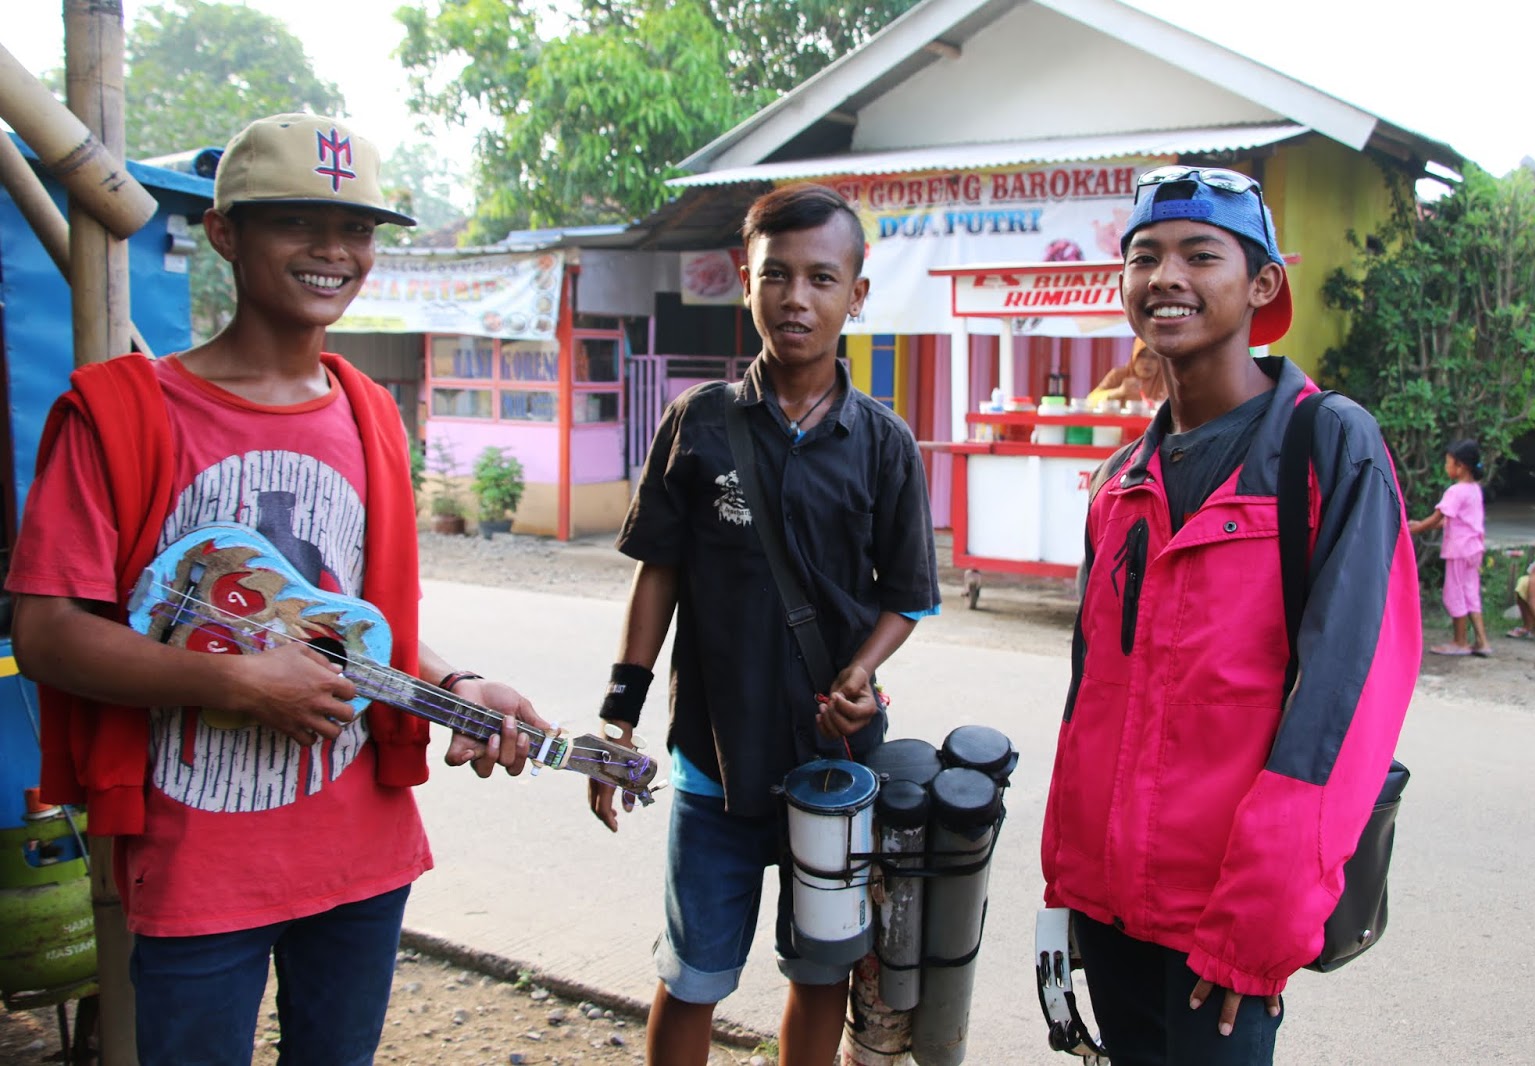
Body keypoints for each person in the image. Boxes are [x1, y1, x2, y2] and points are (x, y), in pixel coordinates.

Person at [5, 113, 550, 1064]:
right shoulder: (120, 413)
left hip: (362, 854)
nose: (335, 251)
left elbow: (351, 621)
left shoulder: (373, 415)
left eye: (359, 230)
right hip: (197, 861)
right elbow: (48, 633)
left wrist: (456, 689)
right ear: (225, 233)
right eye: (298, 222)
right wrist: (239, 683)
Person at [1040, 166, 1421, 1065]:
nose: (1166, 276)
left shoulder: (1328, 445)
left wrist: (1264, 911)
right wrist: (1067, 886)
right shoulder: (1119, 482)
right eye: (1145, 257)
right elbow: (1091, 692)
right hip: (1108, 904)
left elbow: (1350, 696)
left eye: (1199, 254)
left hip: (1227, 920)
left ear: (1260, 286)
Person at [586, 183, 940, 1066]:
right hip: (712, 766)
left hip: (832, 771)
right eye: (775, 275)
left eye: (822, 278)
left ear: (856, 295)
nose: (796, 298)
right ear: (745, 281)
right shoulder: (696, 426)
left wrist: (860, 674)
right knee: (692, 975)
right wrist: (617, 713)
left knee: (819, 973)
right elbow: (657, 578)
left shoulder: (884, 443)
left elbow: (906, 595)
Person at [1407, 439, 1490, 656]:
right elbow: (1457, 520)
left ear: (1460, 466)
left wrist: (1411, 530)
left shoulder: (1456, 491)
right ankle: (1482, 641)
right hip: (1473, 549)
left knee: (1454, 593)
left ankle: (1460, 641)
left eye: (1448, 463)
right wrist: (1420, 526)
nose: (1446, 468)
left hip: (1459, 550)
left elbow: (1437, 518)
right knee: (1471, 592)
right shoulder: (1474, 490)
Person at [1086, 338, 1169, 409]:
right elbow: (1090, 400)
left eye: (1154, 357)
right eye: (1142, 356)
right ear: (1133, 357)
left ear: (1160, 361)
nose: (1147, 362)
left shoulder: (1166, 379)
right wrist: (1120, 391)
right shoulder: (1118, 375)